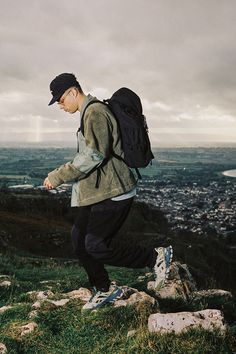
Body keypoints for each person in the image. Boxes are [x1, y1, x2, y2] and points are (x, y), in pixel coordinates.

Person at [45, 73, 173, 311]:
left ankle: (154, 258)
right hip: (99, 190)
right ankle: (104, 289)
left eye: (61, 99)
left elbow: (94, 155)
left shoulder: (94, 113)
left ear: (73, 92)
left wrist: (57, 176)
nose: (60, 106)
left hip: (114, 191)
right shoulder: (90, 112)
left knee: (95, 244)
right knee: (78, 240)